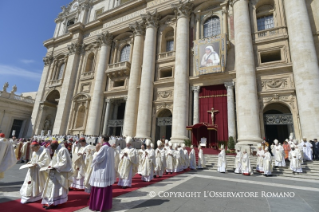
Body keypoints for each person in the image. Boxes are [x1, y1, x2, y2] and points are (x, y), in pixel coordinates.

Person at [41, 140, 73, 209]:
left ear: (56, 145)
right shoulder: (56, 150)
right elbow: (53, 160)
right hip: (54, 171)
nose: (52, 150)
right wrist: (50, 165)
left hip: (60, 172)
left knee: (56, 188)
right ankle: (50, 202)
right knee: (51, 187)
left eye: (52, 148)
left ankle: (55, 203)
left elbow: (64, 162)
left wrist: (55, 167)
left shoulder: (63, 150)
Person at [89, 136, 115, 212]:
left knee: (100, 187)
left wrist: (93, 159)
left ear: (103, 139)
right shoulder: (110, 148)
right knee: (106, 187)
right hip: (107, 171)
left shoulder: (104, 148)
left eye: (101, 138)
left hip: (101, 171)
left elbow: (98, 159)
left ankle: (98, 205)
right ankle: (105, 205)